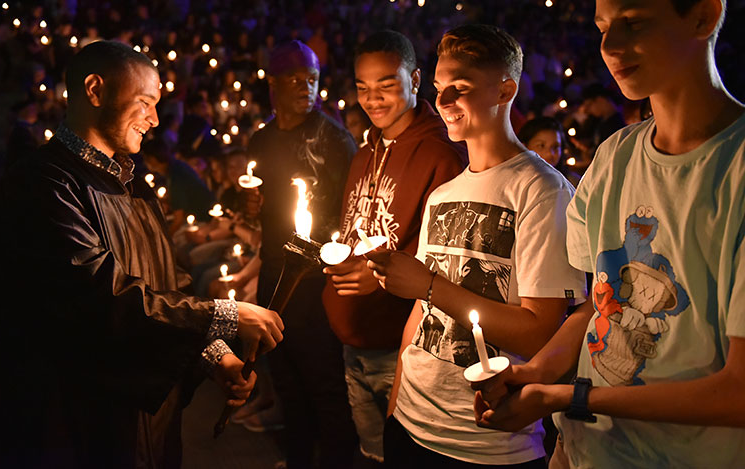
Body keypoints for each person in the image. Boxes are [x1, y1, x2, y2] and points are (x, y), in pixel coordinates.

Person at [471, 0, 745, 468]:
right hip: (585, 452)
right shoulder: (615, 157)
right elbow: (595, 308)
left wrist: (570, 396)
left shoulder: (734, 171)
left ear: (703, 17)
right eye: (602, 28)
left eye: (635, 22)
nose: (611, 47)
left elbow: (737, 391)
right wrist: (536, 373)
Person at [0, 41, 284, 469]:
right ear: (96, 90)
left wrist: (214, 354)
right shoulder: (42, 186)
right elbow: (102, 298)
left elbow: (168, 284)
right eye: (145, 102)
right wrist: (227, 314)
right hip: (66, 423)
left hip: (138, 424)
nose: (155, 120)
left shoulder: (133, 184)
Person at [366, 24, 586, 468]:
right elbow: (420, 316)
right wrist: (395, 403)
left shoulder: (541, 190)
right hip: (411, 422)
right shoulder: (443, 195)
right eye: (439, 88)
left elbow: (541, 330)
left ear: (505, 90)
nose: (443, 102)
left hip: (485, 441)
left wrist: (428, 285)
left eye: (460, 88)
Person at [322, 30, 466, 464]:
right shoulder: (365, 149)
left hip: (399, 343)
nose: (373, 98)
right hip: (352, 338)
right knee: (370, 453)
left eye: (386, 84)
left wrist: (381, 276)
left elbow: (446, 256)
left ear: (415, 79)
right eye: (362, 87)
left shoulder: (440, 153)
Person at [248, 40, 359, 468]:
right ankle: (296, 459)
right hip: (273, 269)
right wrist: (250, 206)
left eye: (311, 79)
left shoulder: (333, 139)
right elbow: (261, 201)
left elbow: (347, 214)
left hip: (315, 282)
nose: (305, 88)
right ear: (272, 84)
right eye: (294, 79)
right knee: (287, 378)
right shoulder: (261, 140)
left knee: (324, 383)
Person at [517, 117, 581, 187]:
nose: (550, 154)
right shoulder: (514, 183)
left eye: (555, 147)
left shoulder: (573, 183)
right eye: (541, 146)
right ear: (524, 147)